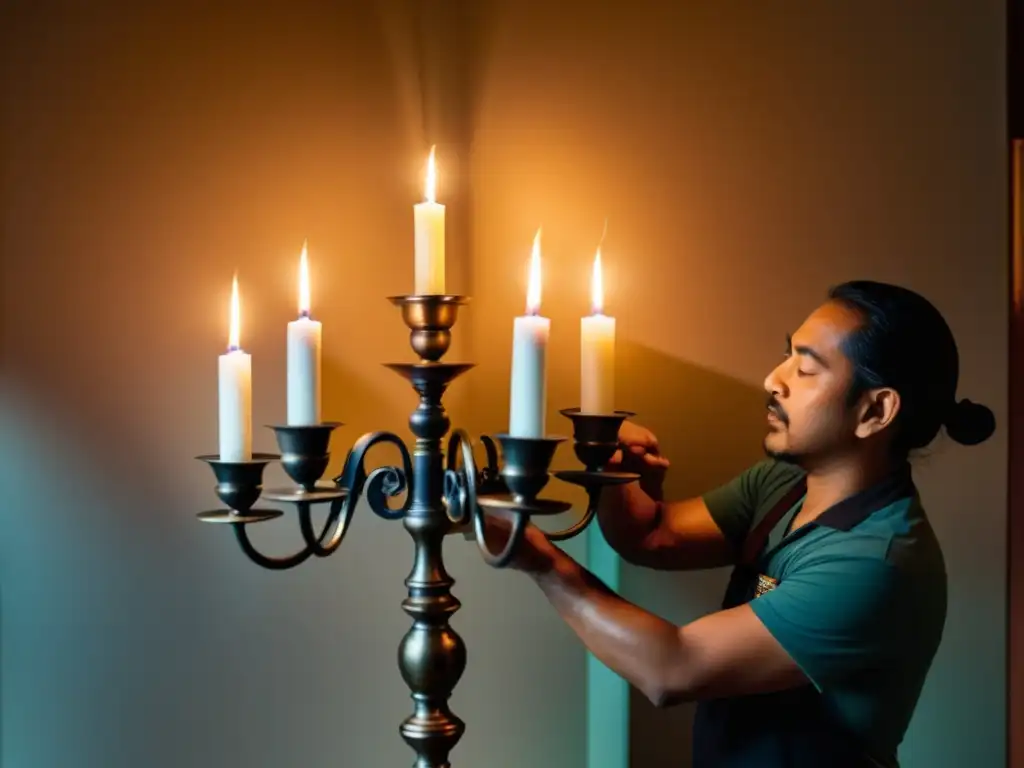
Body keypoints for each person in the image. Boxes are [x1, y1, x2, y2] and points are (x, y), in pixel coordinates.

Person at [489, 280, 996, 768]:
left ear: (874, 410)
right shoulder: (783, 483)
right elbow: (653, 536)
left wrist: (538, 560)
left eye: (806, 367)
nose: (773, 379)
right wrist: (614, 468)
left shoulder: (874, 562)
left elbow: (671, 669)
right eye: (787, 354)